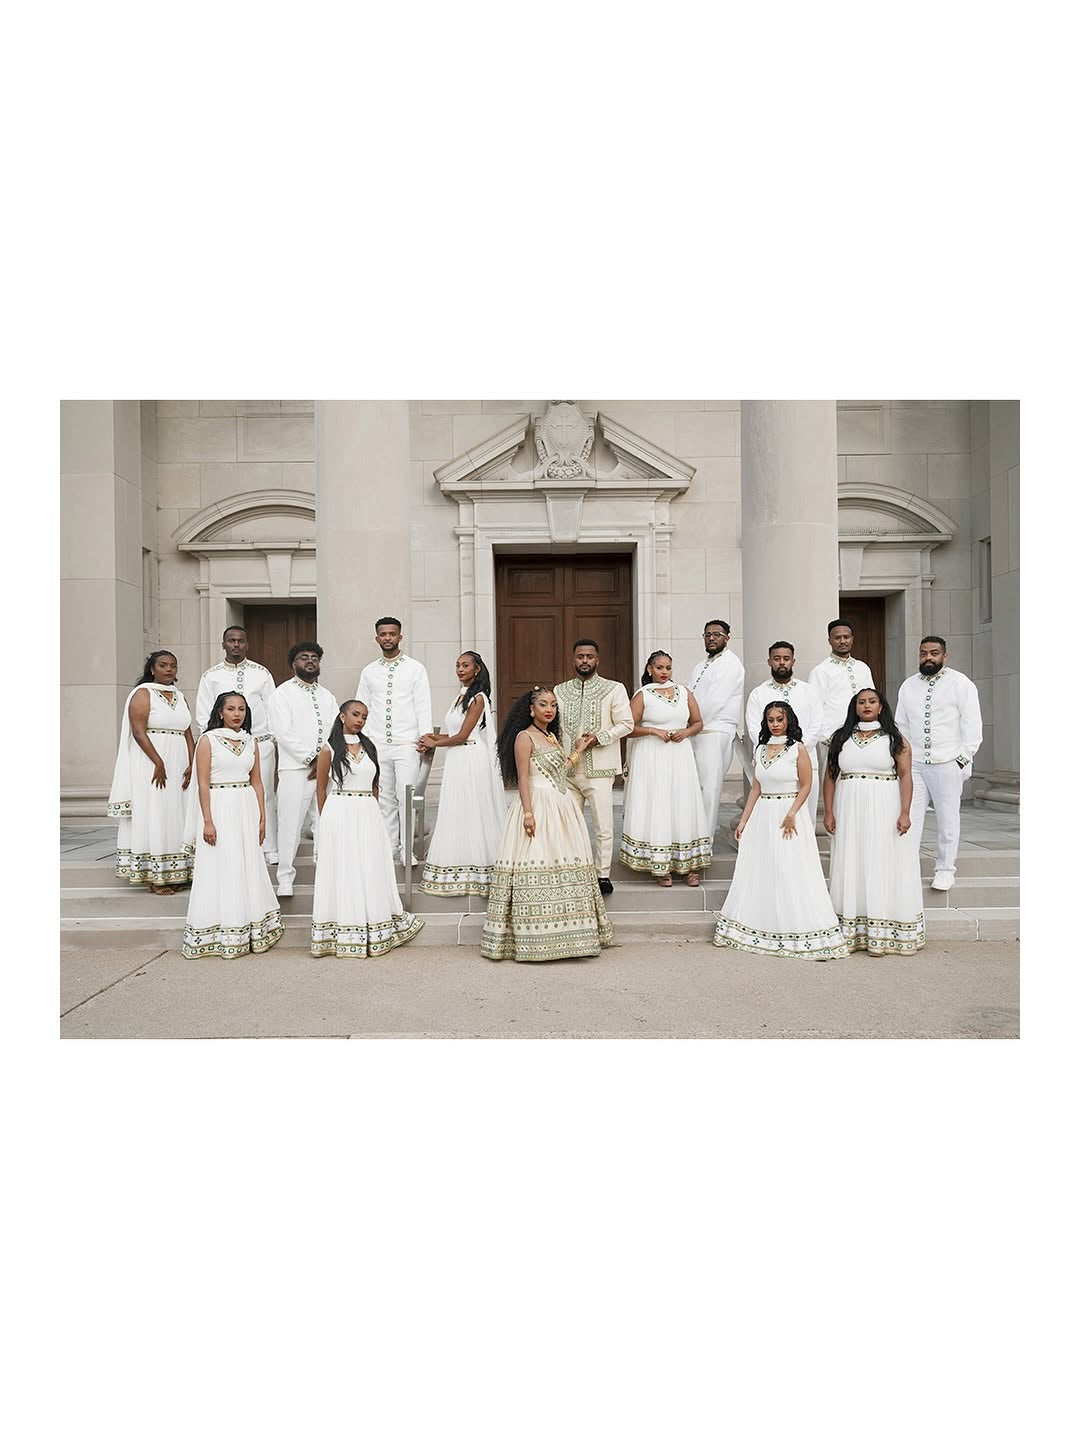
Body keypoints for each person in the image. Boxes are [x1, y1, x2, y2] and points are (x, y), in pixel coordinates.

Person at [481, 685, 614, 962]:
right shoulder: (524, 737)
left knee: (564, 865)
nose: (549, 709)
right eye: (543, 704)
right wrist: (528, 813)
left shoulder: (551, 736)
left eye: (553, 705)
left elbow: (562, 771)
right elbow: (523, 780)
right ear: (531, 709)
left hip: (561, 806)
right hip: (538, 805)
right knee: (537, 860)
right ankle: (534, 938)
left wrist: (577, 750)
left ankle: (570, 936)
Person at [713, 702, 849, 961]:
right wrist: (743, 821)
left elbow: (807, 785)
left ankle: (792, 926)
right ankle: (762, 923)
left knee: (788, 867)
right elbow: (755, 788)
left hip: (789, 814)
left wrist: (792, 813)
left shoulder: (797, 749)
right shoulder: (761, 748)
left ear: (788, 721)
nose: (775, 723)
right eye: (771, 720)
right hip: (763, 814)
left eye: (779, 719)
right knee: (763, 867)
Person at [311, 701, 424, 957]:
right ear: (342, 716)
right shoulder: (329, 749)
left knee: (369, 865)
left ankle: (374, 924)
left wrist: (374, 811)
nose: (360, 720)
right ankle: (342, 929)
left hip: (368, 812)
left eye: (364, 716)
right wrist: (326, 820)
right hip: (339, 811)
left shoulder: (370, 746)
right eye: (355, 714)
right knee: (345, 867)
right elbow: (320, 789)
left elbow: (375, 785)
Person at [181, 692, 284, 959]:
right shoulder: (207, 740)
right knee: (221, 864)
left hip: (245, 806)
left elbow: (258, 782)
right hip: (220, 806)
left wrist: (262, 817)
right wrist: (207, 821)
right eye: (230, 709)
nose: (237, 714)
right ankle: (220, 930)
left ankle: (250, 927)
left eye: (241, 709)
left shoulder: (251, 741)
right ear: (220, 712)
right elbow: (202, 783)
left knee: (245, 864)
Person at [823, 688, 924, 955]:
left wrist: (905, 812)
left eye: (872, 701)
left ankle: (883, 931)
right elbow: (831, 776)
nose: (867, 705)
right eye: (861, 702)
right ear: (854, 707)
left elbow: (905, 777)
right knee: (853, 861)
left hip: (884, 806)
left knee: (881, 861)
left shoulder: (896, 739)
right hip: (849, 807)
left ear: (881, 707)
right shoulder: (840, 738)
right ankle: (853, 932)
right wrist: (829, 812)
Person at [894, 635, 983, 891]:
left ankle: (945, 870)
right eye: (923, 653)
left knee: (947, 820)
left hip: (948, 762)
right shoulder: (908, 686)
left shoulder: (960, 683)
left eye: (934, 653)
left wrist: (962, 760)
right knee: (909, 817)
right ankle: (906, 869)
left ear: (945, 655)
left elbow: (972, 725)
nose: (928, 658)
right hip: (916, 764)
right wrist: (905, 760)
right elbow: (902, 726)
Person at [619, 651, 712, 887]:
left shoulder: (684, 692)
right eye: (659, 667)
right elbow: (627, 727)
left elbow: (698, 722)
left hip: (679, 755)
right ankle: (660, 866)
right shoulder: (643, 694)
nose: (664, 672)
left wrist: (687, 732)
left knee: (682, 804)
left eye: (668, 667)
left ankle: (688, 865)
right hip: (652, 755)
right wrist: (653, 731)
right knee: (658, 804)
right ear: (649, 669)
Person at [418, 651, 506, 897]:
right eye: (457, 665)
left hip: (470, 758)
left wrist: (435, 743)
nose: (460, 669)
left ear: (477, 669)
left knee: (472, 809)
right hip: (458, 758)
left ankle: (480, 871)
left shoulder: (478, 698)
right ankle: (459, 863)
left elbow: (464, 736)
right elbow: (453, 734)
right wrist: (431, 738)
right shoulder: (460, 697)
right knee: (456, 809)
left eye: (465, 665)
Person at [107, 650, 195, 894]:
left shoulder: (181, 696)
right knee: (155, 810)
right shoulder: (142, 693)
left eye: (173, 666)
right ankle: (154, 877)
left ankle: (177, 871)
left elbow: (188, 732)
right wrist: (158, 761)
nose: (169, 670)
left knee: (177, 811)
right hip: (151, 761)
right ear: (152, 669)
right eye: (163, 665)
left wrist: (192, 763)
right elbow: (138, 731)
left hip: (178, 762)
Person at [553, 638, 634, 895]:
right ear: (573, 659)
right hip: (567, 770)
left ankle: (602, 875)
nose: (584, 661)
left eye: (589, 656)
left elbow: (627, 724)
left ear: (597, 660)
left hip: (600, 769)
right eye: (580, 657)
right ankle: (571, 869)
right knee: (568, 824)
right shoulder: (560, 691)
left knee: (603, 825)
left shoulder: (614, 689)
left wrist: (600, 738)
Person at [195, 624, 278, 865]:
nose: (236, 645)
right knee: (225, 794)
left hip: (259, 743)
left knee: (265, 794)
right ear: (223, 644)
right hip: (221, 747)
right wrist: (214, 741)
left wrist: (270, 739)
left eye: (241, 641)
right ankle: (231, 842)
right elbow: (203, 713)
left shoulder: (262, 673)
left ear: (247, 644)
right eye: (231, 641)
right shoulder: (211, 676)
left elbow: (273, 708)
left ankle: (267, 846)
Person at [356, 617, 432, 865]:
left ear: (400, 637)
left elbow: (423, 704)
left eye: (392, 634)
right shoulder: (368, 671)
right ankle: (389, 847)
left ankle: (406, 849)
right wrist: (361, 741)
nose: (387, 638)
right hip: (377, 743)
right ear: (376, 638)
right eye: (383, 634)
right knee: (385, 796)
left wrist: (425, 736)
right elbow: (361, 706)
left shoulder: (415, 668)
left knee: (406, 795)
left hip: (407, 743)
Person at [268, 641, 338, 898]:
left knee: (324, 823)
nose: (310, 661)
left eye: (314, 658)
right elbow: (282, 733)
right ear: (293, 663)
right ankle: (285, 878)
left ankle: (324, 875)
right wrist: (311, 759)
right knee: (290, 825)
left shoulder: (327, 696)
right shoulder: (282, 694)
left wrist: (324, 763)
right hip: (295, 770)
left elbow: (335, 732)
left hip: (325, 770)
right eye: (303, 657)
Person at [744, 640, 826, 818]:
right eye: (777, 658)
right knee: (772, 818)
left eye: (786, 658)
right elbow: (754, 729)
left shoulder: (809, 691)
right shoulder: (758, 693)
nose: (782, 662)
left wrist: (797, 750)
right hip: (771, 765)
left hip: (805, 761)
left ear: (793, 661)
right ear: (769, 662)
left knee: (806, 817)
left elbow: (817, 724)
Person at [689, 619, 745, 841]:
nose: (711, 638)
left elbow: (715, 701)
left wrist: (690, 723)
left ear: (727, 638)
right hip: (696, 730)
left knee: (709, 789)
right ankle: (692, 836)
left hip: (714, 731)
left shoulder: (731, 664)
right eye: (707, 634)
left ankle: (705, 840)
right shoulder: (700, 666)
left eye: (717, 634)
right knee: (695, 787)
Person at [808, 620, 875, 775]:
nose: (843, 641)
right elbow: (814, 709)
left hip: (864, 734)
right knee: (835, 785)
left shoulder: (862, 668)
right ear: (829, 641)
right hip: (834, 739)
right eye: (838, 638)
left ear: (852, 638)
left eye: (846, 637)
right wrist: (828, 738)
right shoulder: (821, 671)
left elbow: (873, 701)